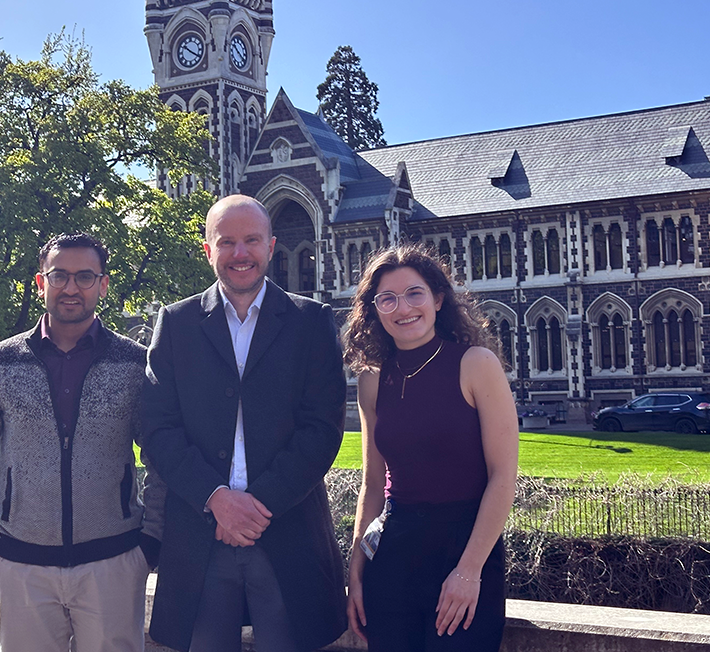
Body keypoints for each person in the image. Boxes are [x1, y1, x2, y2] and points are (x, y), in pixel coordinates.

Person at [141, 194, 348, 652]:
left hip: (287, 533)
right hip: (200, 538)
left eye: (251, 240)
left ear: (271, 246)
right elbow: (156, 426)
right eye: (227, 242)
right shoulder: (177, 323)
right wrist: (216, 499)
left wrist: (254, 506)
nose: (240, 254)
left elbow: (322, 430)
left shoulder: (310, 322)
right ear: (208, 249)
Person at [0, 232, 164, 652]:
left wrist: (149, 544)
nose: (71, 287)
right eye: (59, 275)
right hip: (22, 566)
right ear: (39, 282)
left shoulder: (135, 363)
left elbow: (163, 457)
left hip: (114, 565)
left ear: (103, 284)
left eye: (85, 276)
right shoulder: (2, 361)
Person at [342, 242, 518, 651]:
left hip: (465, 549)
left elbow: (503, 476)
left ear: (438, 298)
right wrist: (356, 568)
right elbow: (372, 481)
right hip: (392, 555)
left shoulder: (476, 364)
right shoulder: (371, 380)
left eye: (414, 293)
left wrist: (468, 570)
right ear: (375, 310)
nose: (403, 308)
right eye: (387, 298)